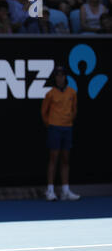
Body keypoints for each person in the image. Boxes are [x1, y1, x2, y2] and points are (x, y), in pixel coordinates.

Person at [41, 66, 80, 201]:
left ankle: (65, 190)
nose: (60, 78)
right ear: (55, 78)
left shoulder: (72, 93)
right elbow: (44, 112)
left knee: (65, 159)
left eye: (62, 75)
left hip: (67, 128)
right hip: (54, 128)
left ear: (65, 77)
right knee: (54, 158)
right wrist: (51, 124)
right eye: (57, 75)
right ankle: (50, 190)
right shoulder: (50, 94)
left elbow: (74, 110)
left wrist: (68, 120)